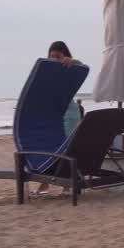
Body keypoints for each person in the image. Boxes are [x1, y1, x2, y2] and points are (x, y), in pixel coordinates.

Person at [36, 41, 85, 195]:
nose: (54, 59)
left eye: (58, 56)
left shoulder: (70, 66)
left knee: (67, 148)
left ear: (65, 55)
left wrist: (72, 61)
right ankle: (45, 183)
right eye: (52, 56)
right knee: (50, 146)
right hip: (53, 114)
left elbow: (83, 68)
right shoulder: (47, 70)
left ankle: (66, 185)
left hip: (69, 113)